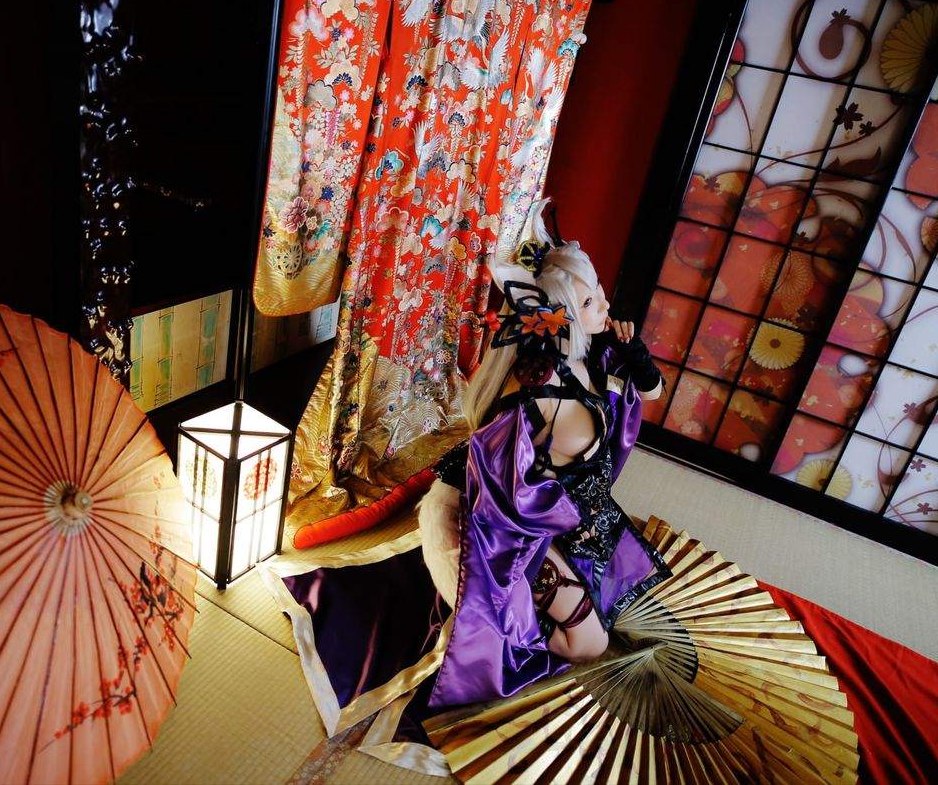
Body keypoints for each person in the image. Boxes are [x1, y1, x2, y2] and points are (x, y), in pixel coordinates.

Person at [265, 205, 669, 769]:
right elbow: (499, 510)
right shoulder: (537, 402)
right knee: (590, 644)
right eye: (589, 302)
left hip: (568, 516)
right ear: (558, 318)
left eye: (599, 292)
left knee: (621, 599)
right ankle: (506, 626)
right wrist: (515, 592)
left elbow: (652, 392)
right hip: (507, 526)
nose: (605, 305)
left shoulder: (595, 353)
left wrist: (636, 359)